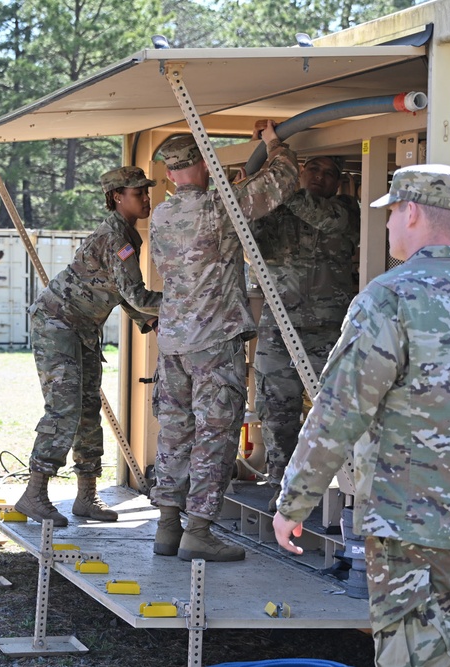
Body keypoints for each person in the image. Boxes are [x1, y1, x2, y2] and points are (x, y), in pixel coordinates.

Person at [273, 164, 450, 666]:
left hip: (410, 529)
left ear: (412, 211)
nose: (390, 223)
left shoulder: (388, 299)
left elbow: (339, 411)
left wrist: (294, 502)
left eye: (393, 211)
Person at [149, 123, 299, 562]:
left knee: (175, 434)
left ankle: (166, 527)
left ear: (172, 174)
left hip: (173, 343)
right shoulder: (220, 206)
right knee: (214, 434)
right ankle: (198, 531)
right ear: (201, 164)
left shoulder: (162, 214)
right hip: (213, 342)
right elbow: (282, 181)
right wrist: (274, 143)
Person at [15, 166, 162, 528]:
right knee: (64, 409)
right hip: (58, 324)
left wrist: (149, 319)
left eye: (146, 191)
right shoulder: (116, 237)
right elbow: (136, 294)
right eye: (138, 192)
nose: (147, 197)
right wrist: (186, 301)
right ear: (116, 197)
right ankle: (34, 493)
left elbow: (119, 291)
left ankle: (86, 496)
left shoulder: (126, 234)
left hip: (81, 328)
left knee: (87, 408)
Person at [252, 155, 360, 511]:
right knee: (277, 409)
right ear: (302, 172)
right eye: (313, 169)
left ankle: (340, 490)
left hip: (328, 330)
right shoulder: (279, 214)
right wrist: (254, 196)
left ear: (339, 182)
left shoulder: (346, 211)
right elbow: (250, 240)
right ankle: (282, 486)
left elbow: (319, 214)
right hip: (280, 326)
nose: (320, 177)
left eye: (330, 173)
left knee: (332, 412)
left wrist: (275, 185)